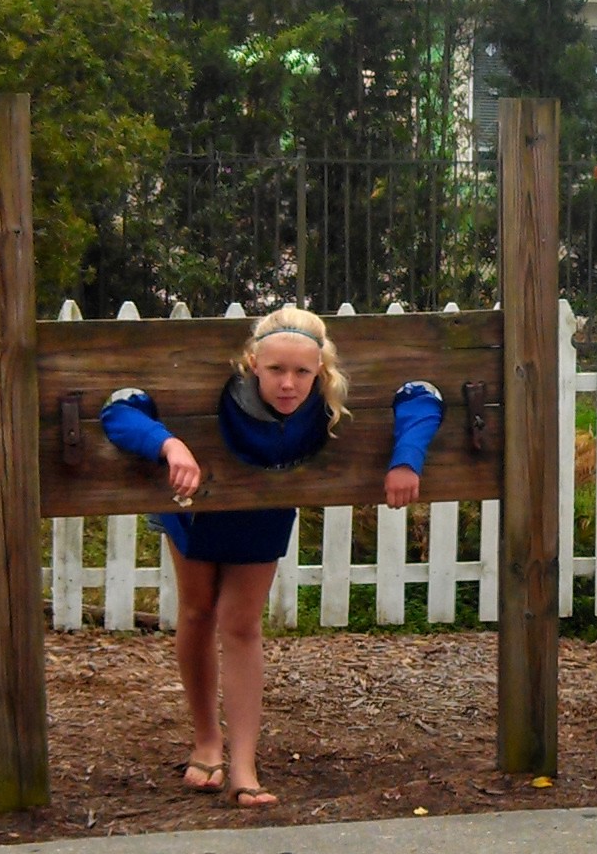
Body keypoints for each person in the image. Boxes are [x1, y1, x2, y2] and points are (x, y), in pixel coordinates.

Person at [101, 308, 442, 808]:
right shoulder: (225, 395)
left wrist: (407, 457)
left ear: (320, 371)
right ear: (251, 365)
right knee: (197, 611)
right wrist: (169, 444)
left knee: (241, 624)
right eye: (276, 369)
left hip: (267, 504)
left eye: (302, 372)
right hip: (193, 500)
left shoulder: (324, 403)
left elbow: (421, 394)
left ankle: (244, 765)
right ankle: (206, 740)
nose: (288, 383)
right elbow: (120, 407)